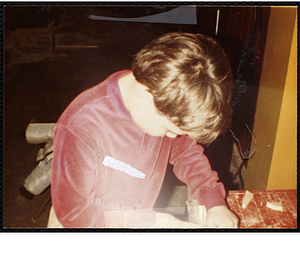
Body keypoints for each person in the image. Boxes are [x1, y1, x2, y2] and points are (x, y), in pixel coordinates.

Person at [48, 32, 239, 228]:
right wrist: (158, 223)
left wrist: (213, 201)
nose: (174, 137)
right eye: (169, 130)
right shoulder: (81, 128)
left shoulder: (161, 100)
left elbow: (186, 153)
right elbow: (75, 214)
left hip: (139, 216)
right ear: (144, 98)